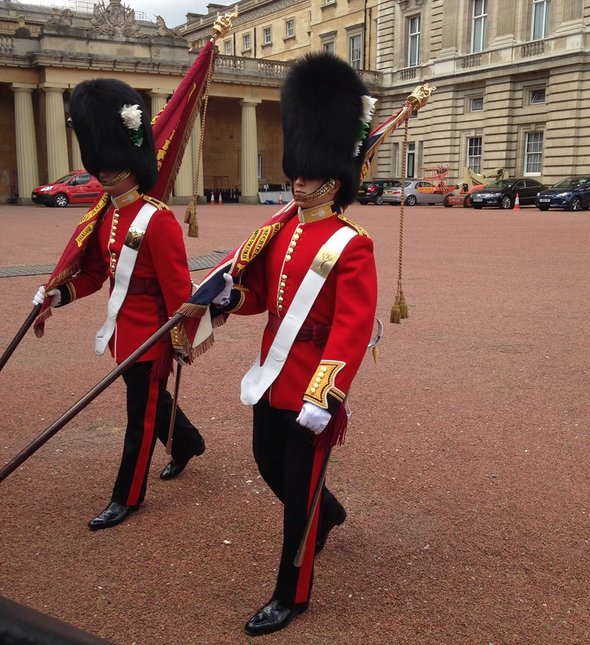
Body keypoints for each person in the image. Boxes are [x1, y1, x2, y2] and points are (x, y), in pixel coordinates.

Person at [209, 52, 378, 636]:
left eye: (306, 174)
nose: (296, 180)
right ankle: (328, 513)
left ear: (332, 177)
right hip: (271, 373)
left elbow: (352, 327)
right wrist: (230, 299)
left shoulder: (352, 244)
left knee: (297, 495)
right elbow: (263, 295)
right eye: (295, 172)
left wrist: (324, 392)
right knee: (267, 464)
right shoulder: (278, 230)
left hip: (311, 384)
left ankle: (293, 593)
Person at [32, 79, 206, 530]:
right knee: (146, 399)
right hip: (122, 331)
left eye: (112, 166)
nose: (104, 173)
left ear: (131, 163)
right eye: (101, 167)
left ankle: (126, 496)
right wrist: (57, 294)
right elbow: (94, 275)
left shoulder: (158, 219)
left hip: (151, 336)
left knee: (139, 419)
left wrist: (180, 339)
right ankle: (186, 442)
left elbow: (178, 289)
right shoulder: (109, 213)